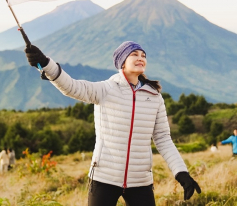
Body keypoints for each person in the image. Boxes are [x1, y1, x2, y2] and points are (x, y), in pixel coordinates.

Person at [25, 41, 201, 206]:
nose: (141, 57)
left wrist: (181, 172)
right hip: (104, 178)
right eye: (134, 54)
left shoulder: (154, 97)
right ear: (122, 62)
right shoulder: (106, 89)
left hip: (140, 180)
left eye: (143, 55)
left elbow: (163, 138)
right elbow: (72, 87)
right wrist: (46, 64)